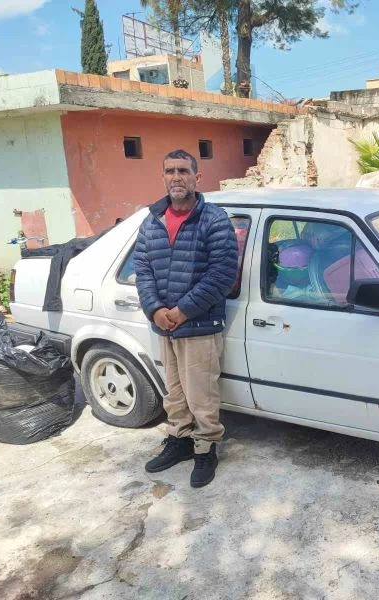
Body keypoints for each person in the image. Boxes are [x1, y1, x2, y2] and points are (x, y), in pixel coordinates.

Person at [134, 149, 238, 488]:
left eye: (182, 170)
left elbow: (222, 274)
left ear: (197, 177)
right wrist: (155, 310)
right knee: (174, 394)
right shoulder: (152, 221)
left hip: (199, 324)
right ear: (162, 177)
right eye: (169, 171)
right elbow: (143, 270)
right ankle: (179, 441)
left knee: (201, 396)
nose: (176, 177)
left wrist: (181, 311)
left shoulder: (214, 219)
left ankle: (206, 449)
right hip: (165, 326)